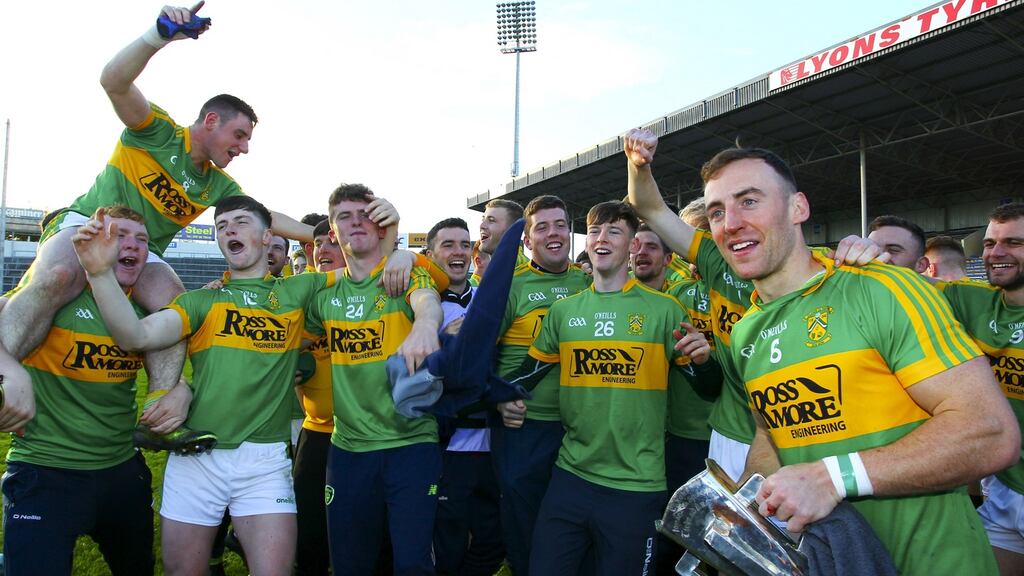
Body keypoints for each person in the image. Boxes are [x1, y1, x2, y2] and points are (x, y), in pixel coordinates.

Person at [647, 137, 1017, 573]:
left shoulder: (879, 288)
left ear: (798, 208)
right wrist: (742, 518)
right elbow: (772, 434)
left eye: (749, 201)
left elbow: (990, 432)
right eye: (717, 212)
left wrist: (832, 478)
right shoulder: (747, 330)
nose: (730, 223)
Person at [0, 4, 314, 452]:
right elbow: (113, 81)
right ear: (211, 122)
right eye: (239, 136)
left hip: (142, 251)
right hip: (90, 225)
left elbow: (265, 216)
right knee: (61, 276)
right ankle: (5, 377)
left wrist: (319, 235)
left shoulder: (217, 183)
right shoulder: (157, 131)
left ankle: (161, 412)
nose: (244, 148)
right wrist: (159, 34)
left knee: (174, 308)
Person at [72, 196, 337, 576]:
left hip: (263, 463)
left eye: (242, 222)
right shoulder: (200, 301)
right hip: (196, 461)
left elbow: (364, 270)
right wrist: (98, 273)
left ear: (268, 238)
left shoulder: (298, 291)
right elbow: (135, 335)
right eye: (221, 225)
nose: (229, 229)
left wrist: (399, 254)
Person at [517, 201, 716, 575]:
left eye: (614, 231)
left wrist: (705, 361)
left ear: (632, 246)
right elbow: (528, 376)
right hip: (570, 477)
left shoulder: (665, 310)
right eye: (594, 231)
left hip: (636, 485)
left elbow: (708, 389)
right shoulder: (564, 312)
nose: (601, 238)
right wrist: (491, 398)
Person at [3, 206, 163, 575]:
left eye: (142, 240)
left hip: (122, 471)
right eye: (120, 235)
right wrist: (13, 373)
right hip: (45, 470)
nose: (134, 246)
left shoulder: (144, 308)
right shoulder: (54, 296)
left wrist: (176, 389)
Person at [306, 183, 443, 576]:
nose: (355, 223)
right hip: (348, 452)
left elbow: (428, 302)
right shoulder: (323, 296)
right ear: (333, 233)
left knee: (413, 564)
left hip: (411, 446)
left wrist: (426, 326)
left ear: (380, 225)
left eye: (364, 215)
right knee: (350, 565)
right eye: (344, 217)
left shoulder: (404, 275)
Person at [491, 195, 591, 576]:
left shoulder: (589, 282)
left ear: (571, 232)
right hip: (524, 428)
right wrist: (498, 398)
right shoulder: (509, 287)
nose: (554, 233)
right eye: (542, 227)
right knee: (524, 526)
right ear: (527, 241)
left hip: (580, 429)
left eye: (561, 224)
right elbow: (480, 355)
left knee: (572, 527)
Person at [936, 202, 1024, 575]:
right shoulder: (971, 300)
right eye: (990, 244)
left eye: (1014, 242)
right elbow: (904, 286)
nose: (996, 253)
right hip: (1007, 488)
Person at [425, 217, 505, 576]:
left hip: (492, 445)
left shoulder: (489, 301)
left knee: (492, 541)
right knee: (447, 544)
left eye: (463, 244)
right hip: (446, 448)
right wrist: (444, 342)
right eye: (448, 244)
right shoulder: (421, 305)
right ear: (430, 254)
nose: (458, 251)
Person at [292, 219, 344, 576]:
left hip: (364, 437)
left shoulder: (378, 291)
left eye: (332, 242)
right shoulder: (299, 294)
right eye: (317, 244)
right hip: (316, 434)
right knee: (308, 535)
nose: (322, 250)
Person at [473, 199, 527, 285]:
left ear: (513, 230)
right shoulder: (493, 275)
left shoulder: (525, 278)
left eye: (491, 220)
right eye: (483, 220)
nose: (482, 226)